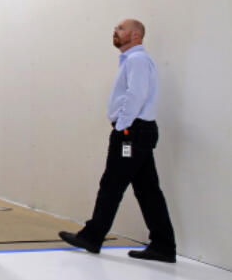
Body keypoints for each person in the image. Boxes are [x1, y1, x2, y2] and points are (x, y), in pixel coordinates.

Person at [59, 19, 177, 263]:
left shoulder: (137, 60)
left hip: (132, 133)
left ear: (136, 35)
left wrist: (123, 127)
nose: (115, 31)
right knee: (148, 191)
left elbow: (136, 94)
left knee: (112, 184)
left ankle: (92, 236)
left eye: (121, 29)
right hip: (137, 132)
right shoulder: (133, 61)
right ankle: (164, 245)